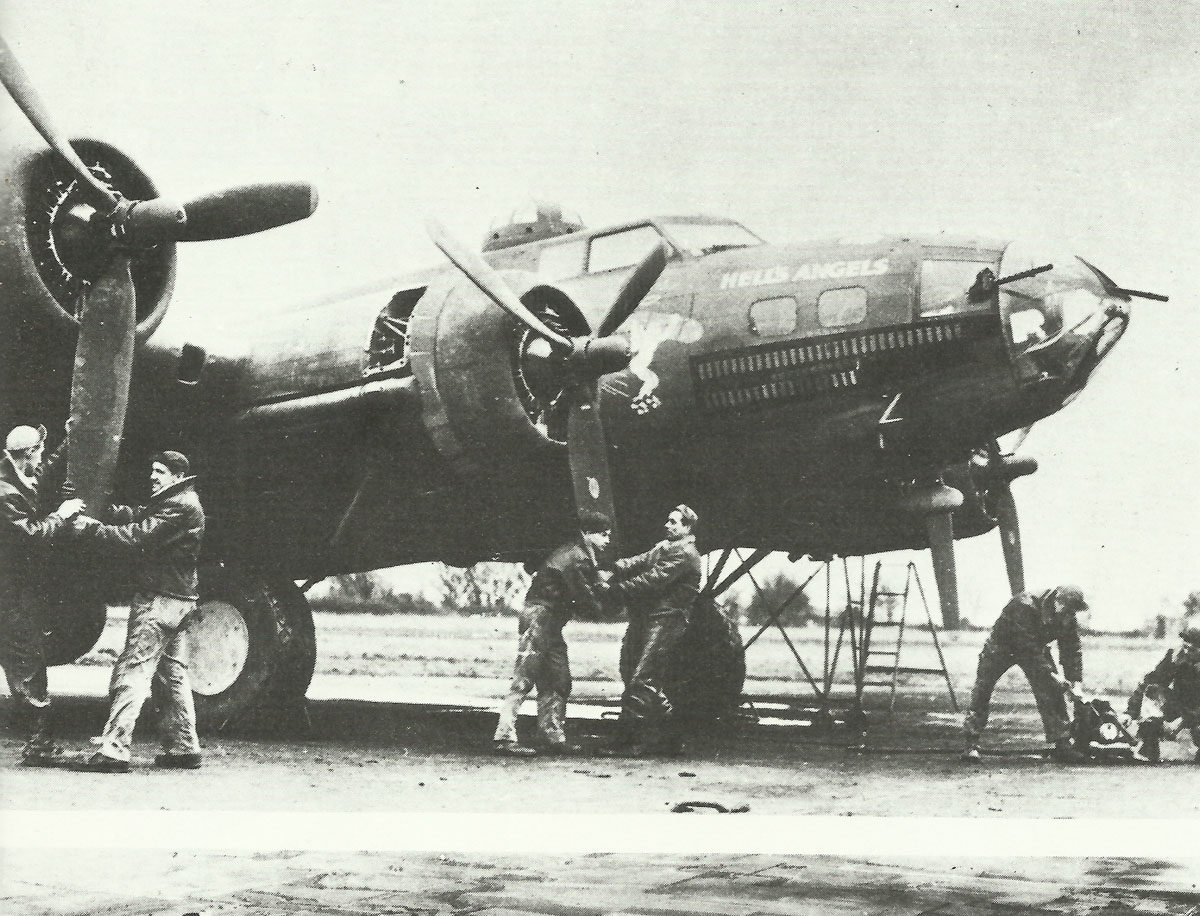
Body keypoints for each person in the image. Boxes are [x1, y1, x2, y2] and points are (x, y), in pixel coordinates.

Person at [67, 450, 205, 773]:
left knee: (133, 669)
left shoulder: (178, 505)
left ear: (176, 475)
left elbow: (138, 537)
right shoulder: (182, 500)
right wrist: (106, 510)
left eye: (159, 471)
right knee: (172, 673)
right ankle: (185, 748)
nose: (152, 476)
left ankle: (114, 750)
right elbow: (140, 516)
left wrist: (90, 529)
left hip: (159, 600)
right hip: (180, 600)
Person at [493, 510, 612, 756]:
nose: (607, 540)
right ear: (588, 534)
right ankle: (504, 736)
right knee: (525, 677)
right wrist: (607, 607)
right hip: (540, 618)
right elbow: (584, 597)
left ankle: (552, 735)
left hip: (549, 622)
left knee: (558, 678)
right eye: (603, 535)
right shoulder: (577, 557)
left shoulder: (574, 552)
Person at [0, 424, 83, 766]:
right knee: (28, 663)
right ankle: (39, 746)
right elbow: (31, 537)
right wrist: (61, 516)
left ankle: (40, 743)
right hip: (12, 596)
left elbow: (45, 472)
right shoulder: (6, 493)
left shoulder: (15, 478)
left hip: (15, 592)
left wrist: (68, 440)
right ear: (28, 453)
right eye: (40, 453)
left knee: (24, 661)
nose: (42, 461)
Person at [602, 504, 701, 757]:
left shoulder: (686, 554)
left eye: (673, 522)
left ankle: (630, 742)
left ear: (687, 527)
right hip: (652, 618)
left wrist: (616, 589)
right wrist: (615, 567)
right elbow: (641, 561)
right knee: (643, 679)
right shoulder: (665, 547)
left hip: (668, 620)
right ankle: (673, 737)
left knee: (642, 679)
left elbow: (654, 577)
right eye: (668, 521)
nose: (667, 525)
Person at [962, 584, 1090, 764]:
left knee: (1052, 691)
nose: (1068, 615)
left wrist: (1076, 682)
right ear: (1057, 601)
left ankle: (1062, 743)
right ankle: (971, 743)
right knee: (983, 690)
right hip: (1001, 648)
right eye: (1067, 610)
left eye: (1072, 612)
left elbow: (1071, 649)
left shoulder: (1066, 615)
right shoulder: (1024, 605)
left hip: (1035, 648)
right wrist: (1052, 675)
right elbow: (1026, 648)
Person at [1125, 626, 1200, 763]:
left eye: (1192, 649)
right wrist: (1130, 712)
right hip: (1182, 705)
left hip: (1196, 711)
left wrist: (1181, 723)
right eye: (1185, 647)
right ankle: (1149, 746)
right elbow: (1149, 682)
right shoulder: (1176, 656)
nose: (1187, 652)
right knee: (1153, 690)